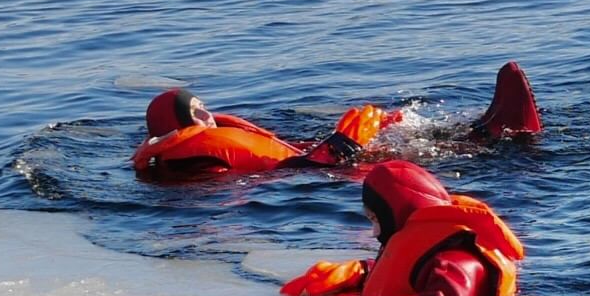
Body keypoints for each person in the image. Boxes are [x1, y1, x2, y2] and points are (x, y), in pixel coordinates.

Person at [273, 158, 527, 296]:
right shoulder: (428, 245)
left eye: (375, 220)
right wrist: (361, 271)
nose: (374, 233)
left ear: (397, 213)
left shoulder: (456, 256)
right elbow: (412, 280)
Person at [131, 88, 401, 183]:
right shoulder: (199, 161)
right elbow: (294, 172)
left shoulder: (206, 144)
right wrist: (342, 146)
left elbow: (286, 156)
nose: (208, 117)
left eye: (204, 108)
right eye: (195, 113)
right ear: (176, 124)